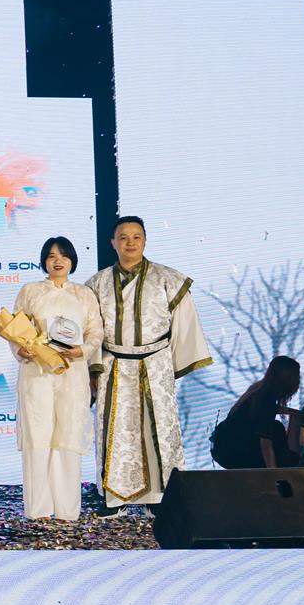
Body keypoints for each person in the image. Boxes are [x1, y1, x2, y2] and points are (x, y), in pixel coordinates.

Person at [86, 216, 212, 512]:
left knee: (159, 431)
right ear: (113, 243)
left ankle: (160, 497)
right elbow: (90, 329)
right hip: (113, 364)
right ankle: (115, 498)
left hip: (155, 363)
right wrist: (93, 366)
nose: (130, 243)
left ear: (145, 240)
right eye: (123, 237)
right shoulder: (96, 284)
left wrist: (170, 363)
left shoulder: (168, 279)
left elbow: (184, 324)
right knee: (116, 431)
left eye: (136, 237)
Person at [8, 236, 101, 521]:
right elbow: (15, 329)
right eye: (51, 256)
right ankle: (38, 509)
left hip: (72, 373)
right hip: (37, 373)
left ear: (72, 260)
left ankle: (67, 509)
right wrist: (22, 350)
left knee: (68, 435)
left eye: (63, 256)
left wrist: (81, 350)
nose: (57, 261)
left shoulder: (84, 294)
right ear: (44, 261)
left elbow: (95, 331)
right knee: (38, 435)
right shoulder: (31, 291)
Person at [210, 357, 302, 469]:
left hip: (222, 445)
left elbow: (269, 410)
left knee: (277, 428)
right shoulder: (266, 401)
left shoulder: (258, 389)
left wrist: (292, 412)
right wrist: (274, 472)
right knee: (289, 456)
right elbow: (265, 444)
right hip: (231, 453)